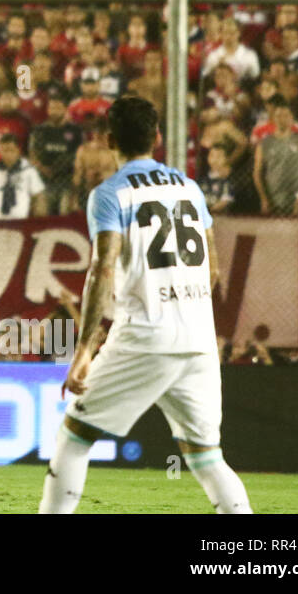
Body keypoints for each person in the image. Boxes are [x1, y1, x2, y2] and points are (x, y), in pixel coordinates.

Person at [40, 95, 251, 514]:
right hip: (198, 339)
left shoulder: (109, 194)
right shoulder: (190, 188)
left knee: (74, 435)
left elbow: (101, 270)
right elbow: (212, 272)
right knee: (207, 457)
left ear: (108, 140)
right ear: (156, 137)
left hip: (144, 334)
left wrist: (83, 351)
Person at [0, 134, 47, 219]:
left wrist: (38, 219)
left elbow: (39, 196)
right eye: (5, 150)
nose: (8, 154)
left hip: (21, 221)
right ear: (0, 151)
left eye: (11, 150)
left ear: (18, 151)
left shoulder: (29, 171)